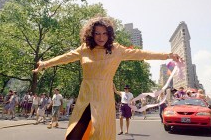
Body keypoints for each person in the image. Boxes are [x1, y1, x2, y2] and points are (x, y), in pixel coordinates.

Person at [32, 16, 181, 140]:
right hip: (85, 97)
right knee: (75, 133)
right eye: (97, 33)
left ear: (109, 34)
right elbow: (64, 58)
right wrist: (44, 63)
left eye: (104, 33)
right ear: (91, 34)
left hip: (103, 97)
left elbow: (143, 54)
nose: (101, 37)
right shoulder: (84, 49)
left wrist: (168, 55)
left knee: (100, 133)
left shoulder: (117, 50)